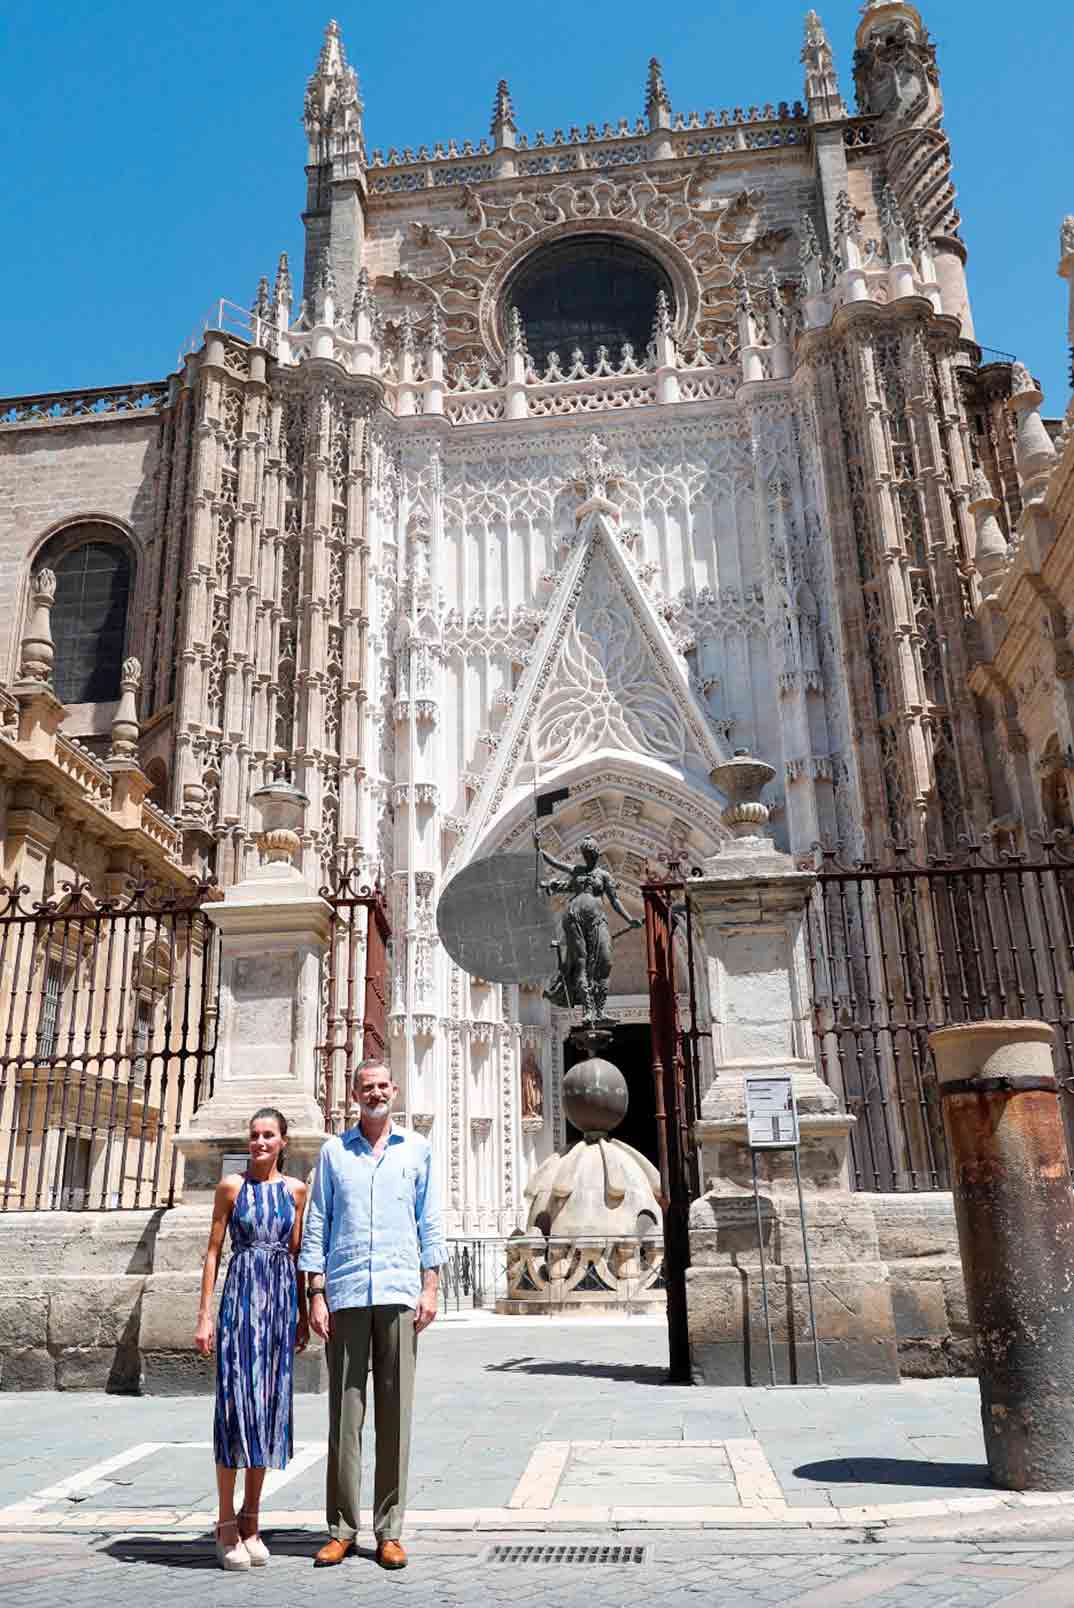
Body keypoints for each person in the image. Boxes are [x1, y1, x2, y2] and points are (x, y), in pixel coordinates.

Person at [299, 1060, 445, 1572]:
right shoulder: (334, 1152)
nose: (376, 1093)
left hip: (400, 1290)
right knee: (345, 1416)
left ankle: (390, 1531)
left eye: (383, 1086)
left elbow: (430, 1219)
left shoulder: (418, 1150)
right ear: (355, 1094)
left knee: (395, 1416)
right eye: (367, 1087)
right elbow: (317, 1221)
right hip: (345, 1294)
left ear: (395, 1091)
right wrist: (315, 1292)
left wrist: (431, 1285)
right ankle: (340, 1529)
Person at [195, 1107, 309, 1571]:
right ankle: (225, 1522)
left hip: (279, 1306)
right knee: (234, 1410)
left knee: (266, 1409)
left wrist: (302, 1313)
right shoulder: (231, 1187)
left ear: (284, 1141)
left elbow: (300, 1255)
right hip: (240, 1304)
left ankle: (252, 1520)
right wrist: (205, 1316)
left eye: (269, 1135)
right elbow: (212, 1252)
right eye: (255, 1135)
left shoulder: (296, 1192)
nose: (260, 1142)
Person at [535, 832, 643, 1021]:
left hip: (597, 920)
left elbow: (615, 901)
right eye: (585, 853)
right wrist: (538, 847)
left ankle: (600, 1011)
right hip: (574, 918)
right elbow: (554, 863)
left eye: (591, 852)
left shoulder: (604, 876)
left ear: (597, 853)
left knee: (605, 960)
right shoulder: (577, 870)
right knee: (581, 963)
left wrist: (629, 919)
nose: (588, 856)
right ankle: (587, 1010)